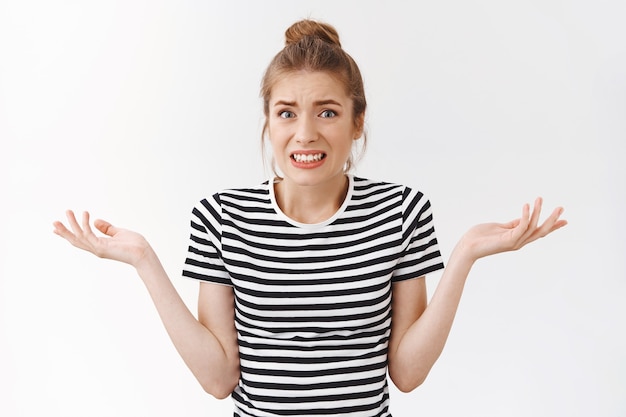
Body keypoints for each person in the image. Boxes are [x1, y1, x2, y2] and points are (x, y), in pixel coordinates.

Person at [53, 19, 567, 417]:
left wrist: (463, 258)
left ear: (356, 120)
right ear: (269, 120)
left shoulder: (402, 212)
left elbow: (407, 374)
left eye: (327, 111)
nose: (304, 134)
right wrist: (144, 260)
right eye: (286, 112)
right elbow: (218, 380)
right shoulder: (221, 218)